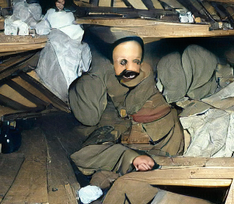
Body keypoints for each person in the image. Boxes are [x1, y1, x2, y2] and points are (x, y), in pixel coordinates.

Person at [68, 36, 184, 178]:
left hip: (156, 143)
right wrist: (131, 157)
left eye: (135, 61)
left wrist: (134, 158)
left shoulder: (168, 131)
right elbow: (84, 156)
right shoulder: (114, 115)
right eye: (123, 62)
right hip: (118, 124)